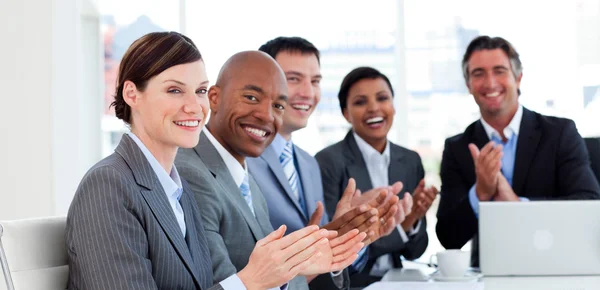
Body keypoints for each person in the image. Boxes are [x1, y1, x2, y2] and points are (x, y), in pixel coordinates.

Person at [66, 32, 332, 290]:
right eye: (174, 90)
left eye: (200, 91)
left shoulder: (177, 192)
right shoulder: (109, 184)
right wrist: (248, 282)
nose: (195, 107)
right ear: (132, 94)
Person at [176, 51, 388, 290]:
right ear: (214, 98)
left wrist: (313, 251)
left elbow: (276, 277)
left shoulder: (245, 179)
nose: (267, 115)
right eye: (251, 97)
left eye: (278, 105)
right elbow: (223, 282)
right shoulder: (190, 173)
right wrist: (299, 259)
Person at [248, 37, 412, 289]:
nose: (308, 92)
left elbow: (325, 268)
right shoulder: (244, 161)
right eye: (293, 79)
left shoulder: (308, 164)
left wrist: (350, 234)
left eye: (315, 81)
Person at [435, 35, 600, 266]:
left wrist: (516, 204)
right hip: (488, 273)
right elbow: (448, 237)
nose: (490, 82)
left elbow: (588, 205)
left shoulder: (560, 133)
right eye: (478, 73)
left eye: (499, 70)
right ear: (468, 85)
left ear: (518, 78)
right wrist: (480, 193)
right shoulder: (458, 148)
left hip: (557, 265)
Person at [315, 66, 437, 286]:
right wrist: (403, 225)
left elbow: (415, 251)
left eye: (382, 98)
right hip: (352, 283)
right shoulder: (328, 162)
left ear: (393, 105)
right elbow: (338, 244)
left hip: (400, 281)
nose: (374, 108)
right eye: (360, 102)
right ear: (345, 113)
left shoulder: (410, 160)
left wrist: (414, 220)